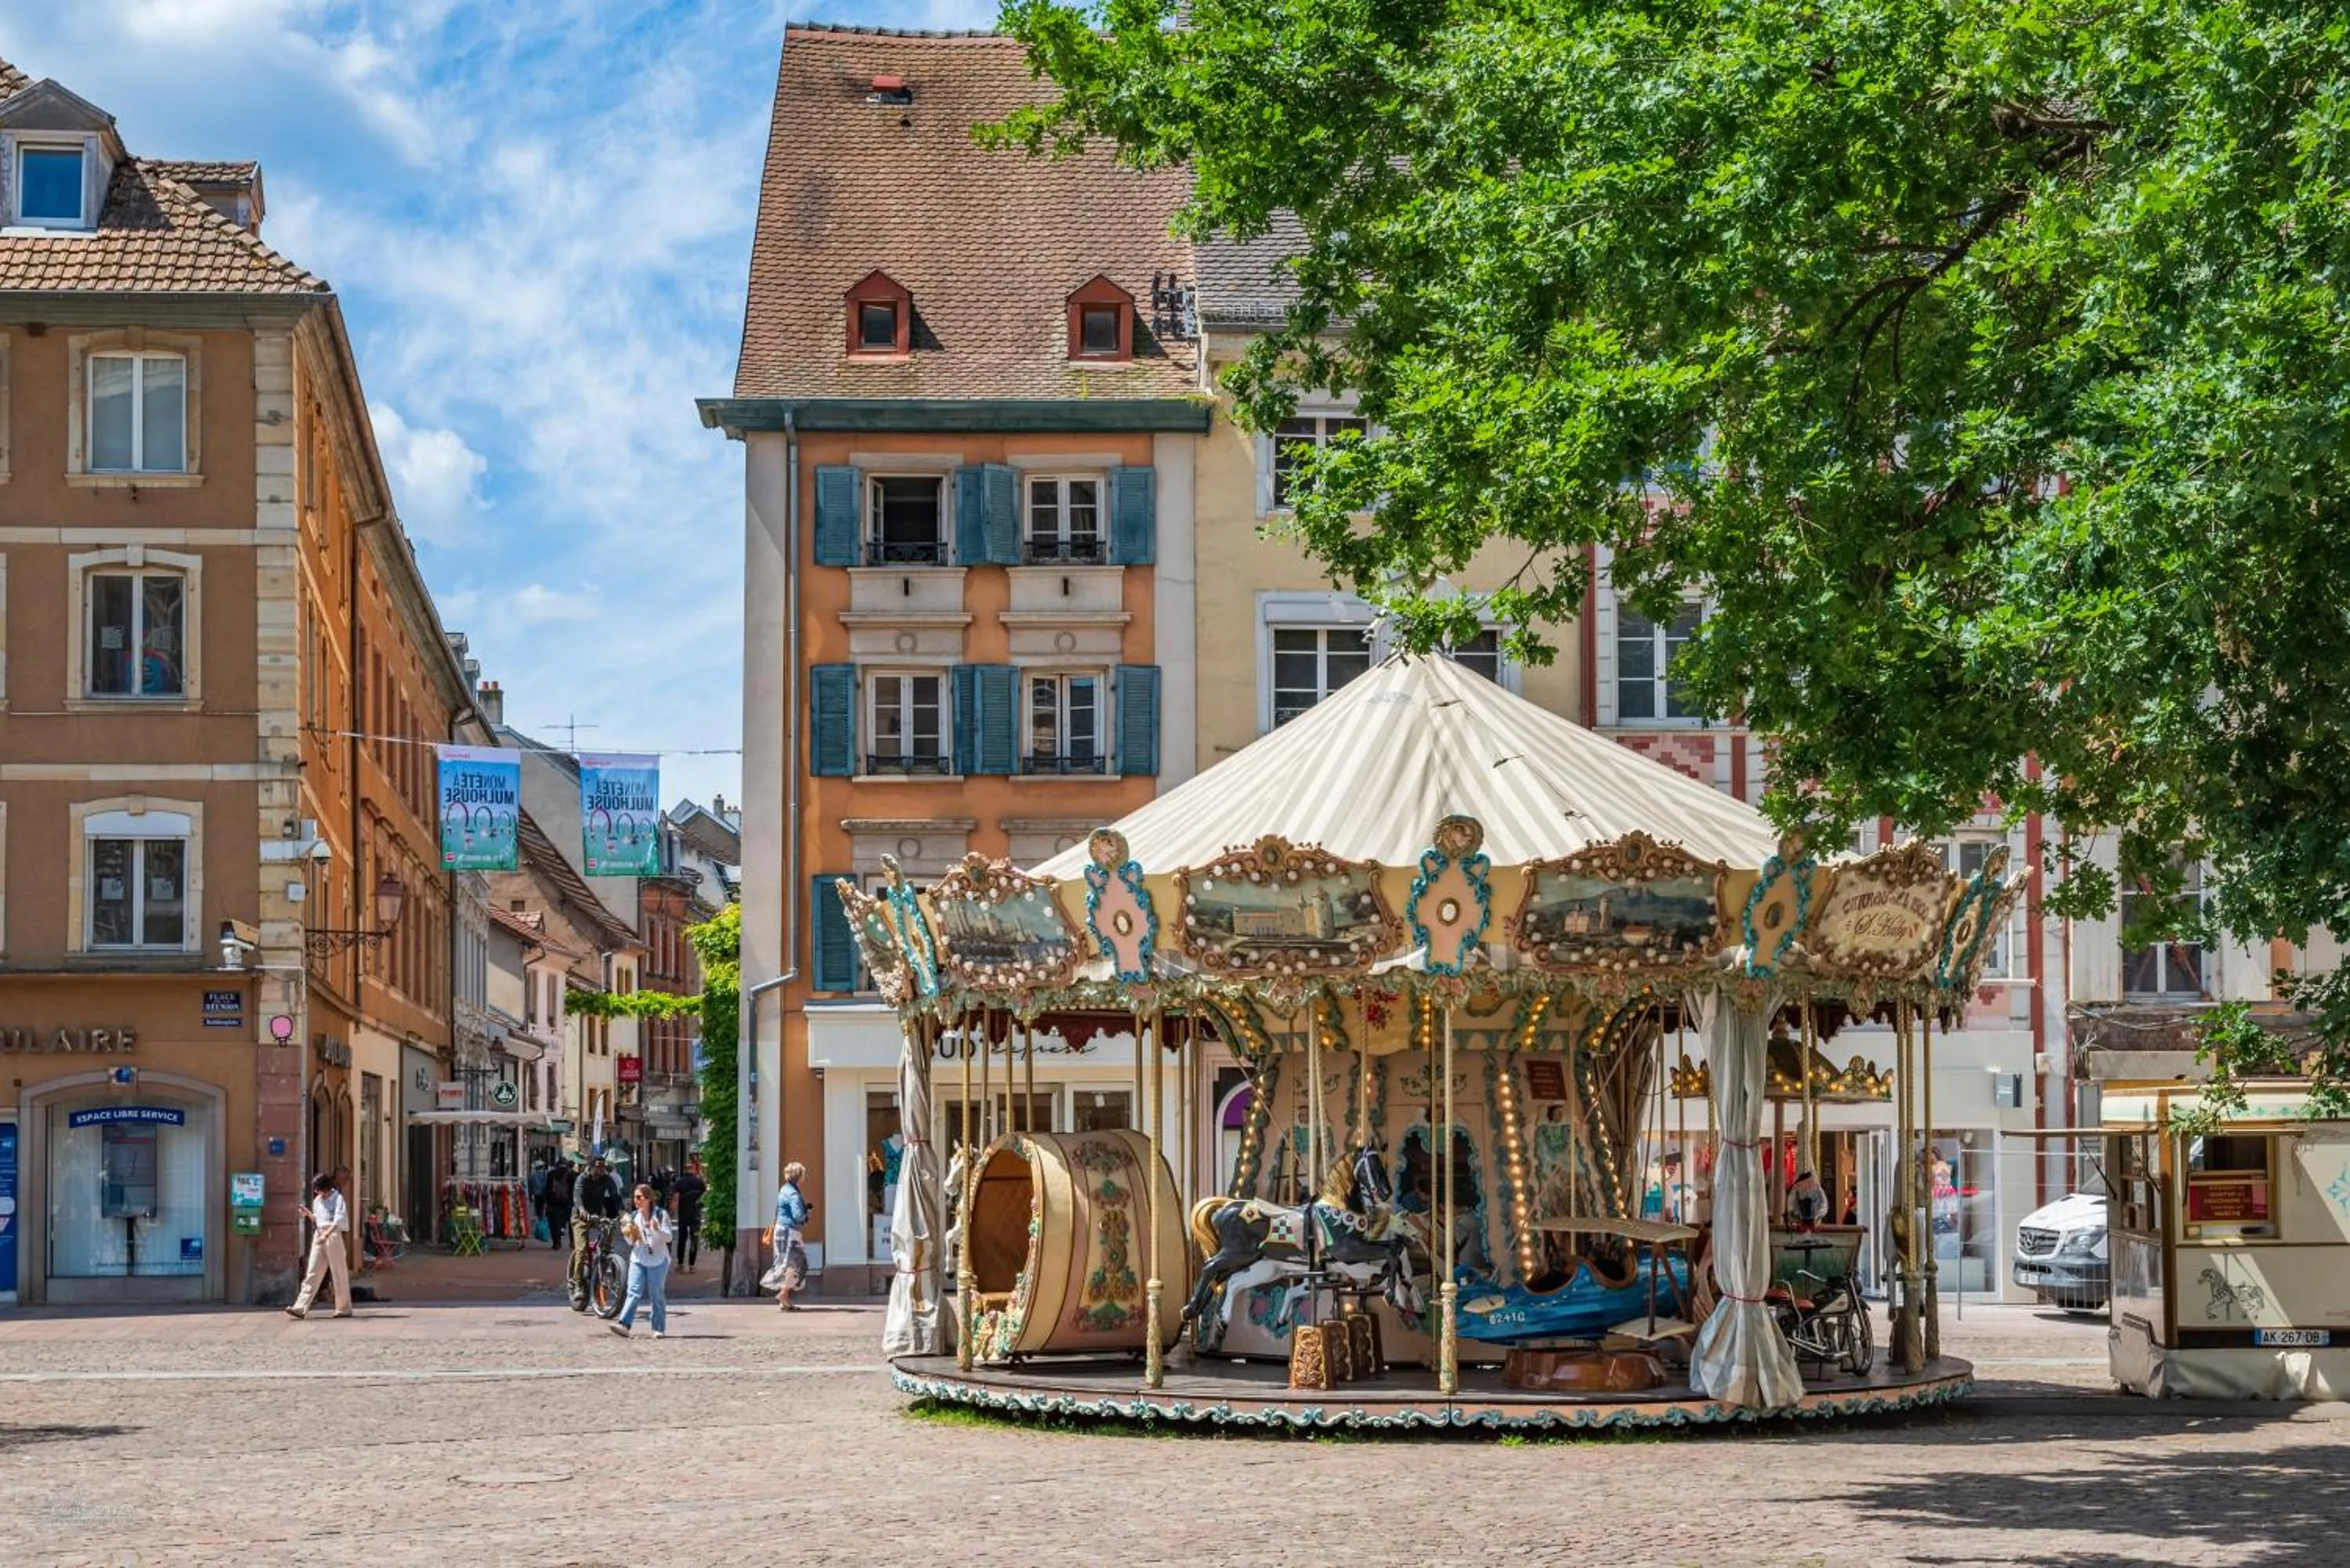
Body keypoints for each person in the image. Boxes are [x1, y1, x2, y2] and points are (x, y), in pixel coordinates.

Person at [607, 1183, 674, 1339]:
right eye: (634, 1197)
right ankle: (624, 1324)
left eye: (639, 1197)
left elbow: (669, 1238)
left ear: (648, 1199)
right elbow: (631, 1242)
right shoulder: (633, 1217)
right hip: (638, 1259)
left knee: (656, 1295)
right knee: (633, 1291)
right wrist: (628, 1233)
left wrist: (657, 1229)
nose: (636, 1201)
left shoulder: (661, 1215)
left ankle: (658, 1328)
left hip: (658, 1260)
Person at [284, 1172, 352, 1320]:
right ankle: (300, 1307)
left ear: (326, 1187)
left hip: (332, 1234)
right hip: (319, 1234)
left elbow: (338, 1220)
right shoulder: (317, 1200)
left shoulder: (338, 1198)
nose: (316, 1191)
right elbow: (318, 1219)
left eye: (318, 1188)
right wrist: (308, 1214)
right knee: (312, 1271)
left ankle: (343, 1308)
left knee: (338, 1271)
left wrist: (326, 1235)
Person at [569, 1155, 622, 1307]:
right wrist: (581, 1209)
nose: (600, 1170)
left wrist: (622, 1213)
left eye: (603, 1167)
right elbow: (577, 1196)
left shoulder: (607, 1179)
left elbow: (615, 1196)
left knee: (609, 1231)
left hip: (598, 1215)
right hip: (580, 1217)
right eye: (598, 1167)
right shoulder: (582, 1179)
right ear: (591, 1166)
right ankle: (578, 1284)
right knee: (581, 1250)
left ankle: (605, 1257)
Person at [768, 1162, 811, 1311]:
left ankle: (784, 1301)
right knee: (797, 1264)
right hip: (789, 1232)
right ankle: (783, 1294)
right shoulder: (793, 1194)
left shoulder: (784, 1189)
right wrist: (806, 1215)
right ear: (800, 1176)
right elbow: (798, 1216)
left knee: (786, 1265)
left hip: (781, 1230)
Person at [672, 1155, 707, 1273]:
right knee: (694, 1239)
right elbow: (705, 1196)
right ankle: (692, 1266)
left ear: (684, 1170)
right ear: (693, 1169)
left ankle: (680, 1264)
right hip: (696, 1214)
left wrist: (673, 1210)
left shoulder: (679, 1182)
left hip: (683, 1214)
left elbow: (675, 1198)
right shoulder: (700, 1182)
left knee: (682, 1239)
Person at [543, 1158, 575, 1252]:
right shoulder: (572, 1174)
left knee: (555, 1223)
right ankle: (573, 1242)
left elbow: (547, 1189)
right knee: (572, 1223)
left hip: (554, 1202)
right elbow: (575, 1190)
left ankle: (557, 1243)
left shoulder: (551, 1174)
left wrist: (547, 1202)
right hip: (569, 1202)